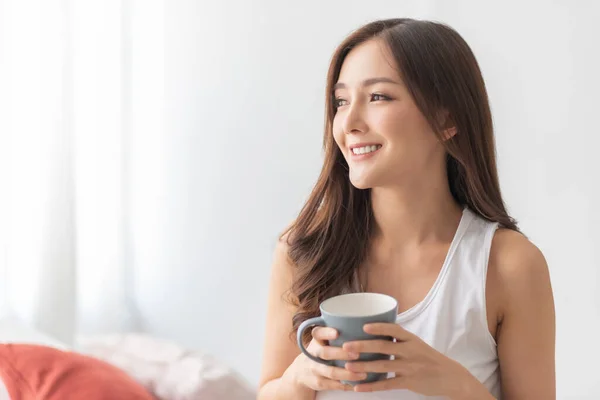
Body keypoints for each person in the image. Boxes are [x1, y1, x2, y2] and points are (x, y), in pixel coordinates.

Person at [257, 18, 555, 400]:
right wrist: (299, 379)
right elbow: (269, 390)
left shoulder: (509, 265)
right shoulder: (303, 253)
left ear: (446, 119)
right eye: (341, 101)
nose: (348, 122)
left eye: (378, 97)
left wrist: (458, 385)